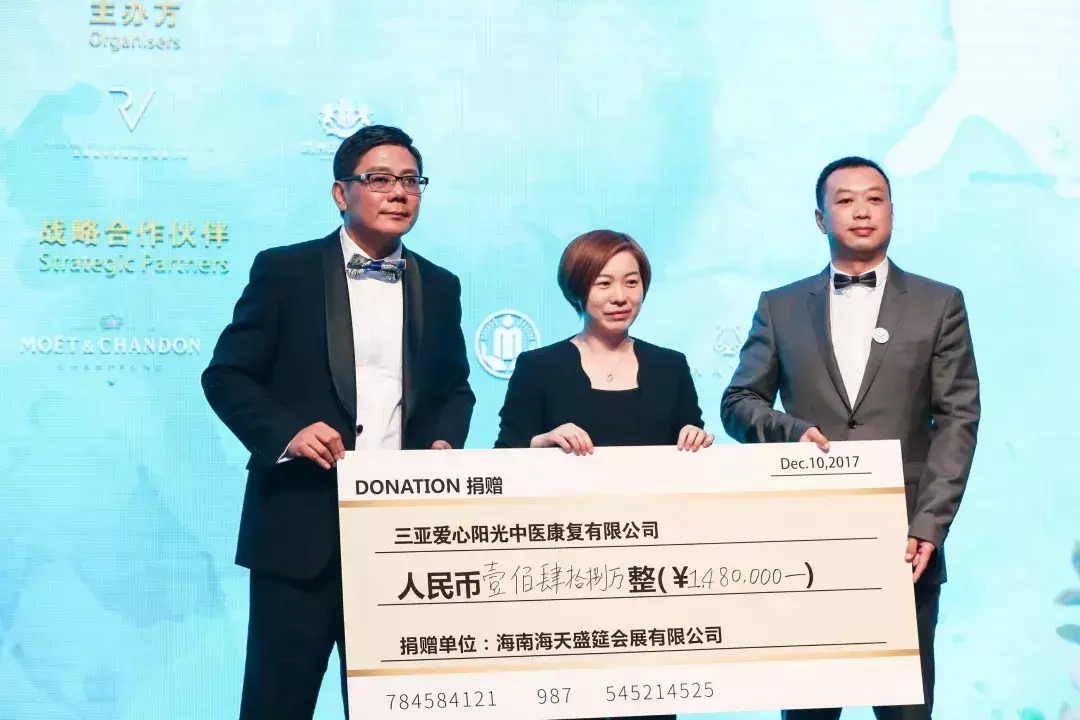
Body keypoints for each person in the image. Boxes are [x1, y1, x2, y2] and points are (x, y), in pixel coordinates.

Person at [202, 124, 475, 720]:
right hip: (299, 530)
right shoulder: (285, 271)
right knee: (277, 705)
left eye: (411, 181)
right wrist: (287, 434)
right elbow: (226, 376)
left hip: (402, 538)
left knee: (399, 708)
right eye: (380, 179)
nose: (399, 193)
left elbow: (455, 388)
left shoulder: (441, 285)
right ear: (340, 192)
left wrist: (444, 441)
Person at [720, 156, 980, 720]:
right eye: (845, 200)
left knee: (905, 710)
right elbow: (738, 403)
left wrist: (929, 525)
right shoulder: (781, 306)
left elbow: (958, 419)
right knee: (810, 710)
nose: (862, 210)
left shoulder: (940, 303)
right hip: (808, 542)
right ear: (820, 219)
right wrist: (789, 431)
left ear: (892, 212)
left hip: (905, 543)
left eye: (875, 198)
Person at [496, 229, 711, 720]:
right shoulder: (539, 366)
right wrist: (542, 443)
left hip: (652, 578)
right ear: (578, 288)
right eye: (604, 283)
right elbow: (504, 458)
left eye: (632, 282)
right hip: (567, 575)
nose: (620, 296)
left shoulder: (670, 365)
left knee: (650, 707)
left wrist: (695, 438)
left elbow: (690, 442)